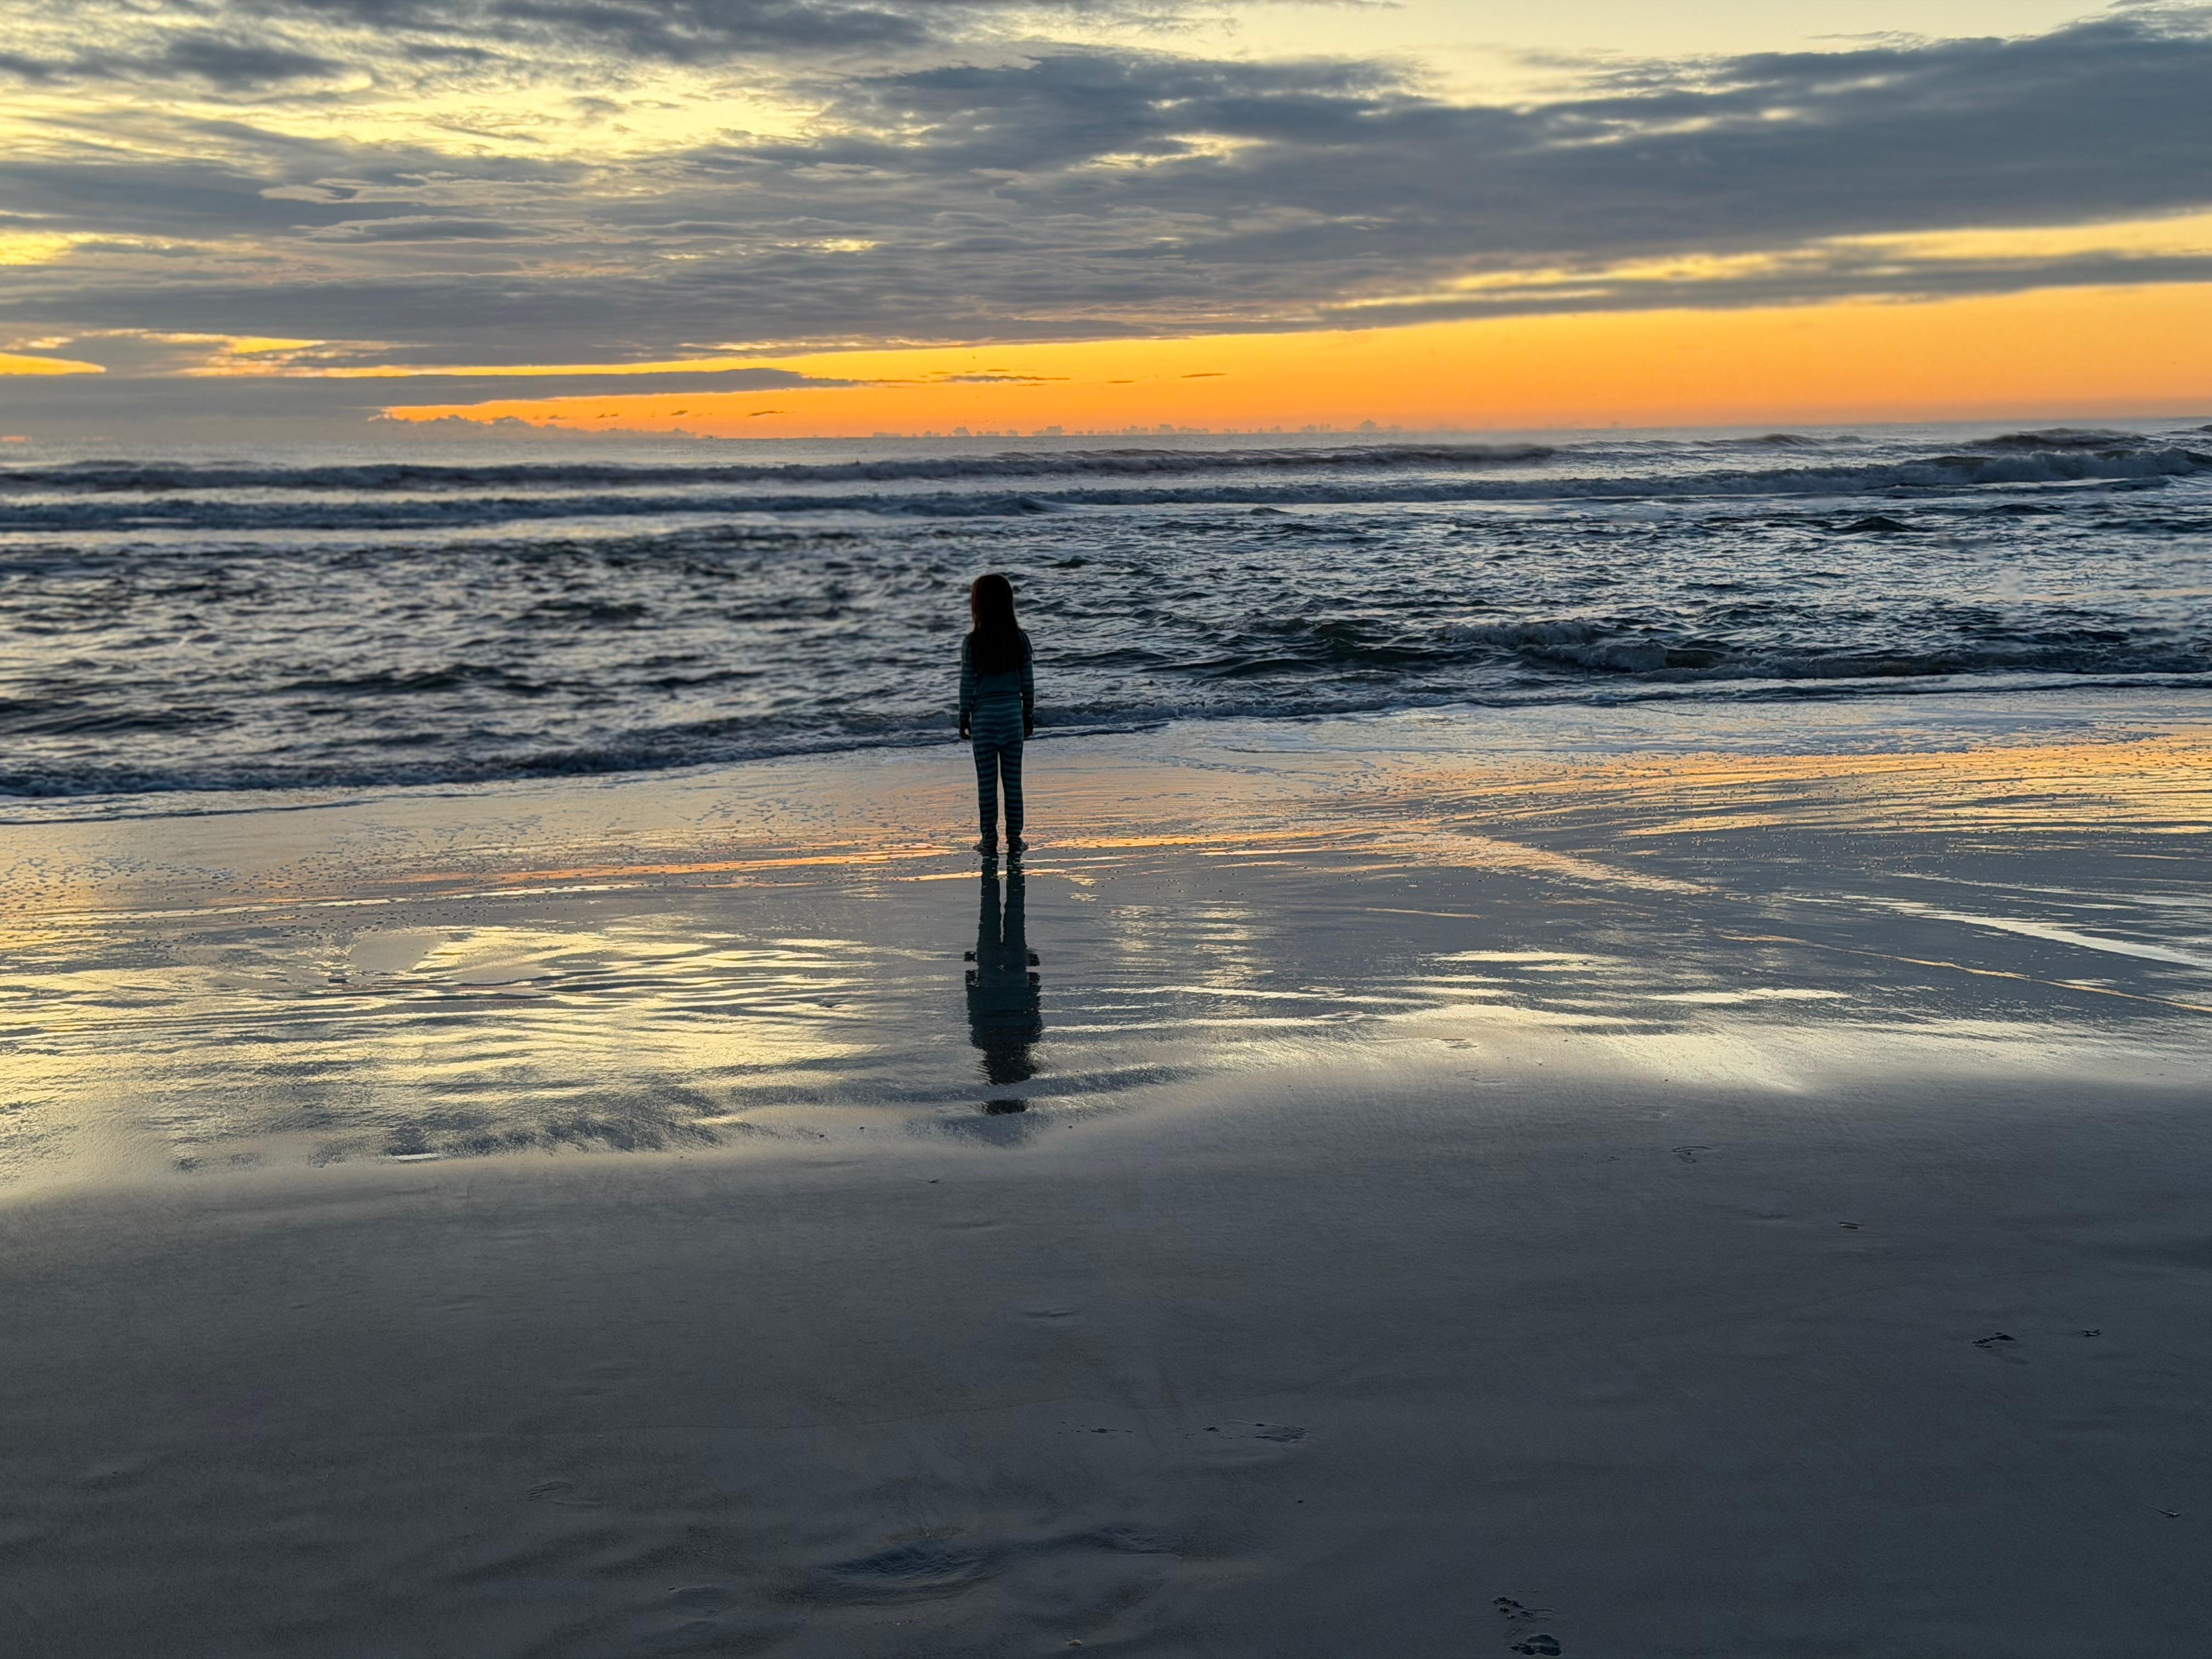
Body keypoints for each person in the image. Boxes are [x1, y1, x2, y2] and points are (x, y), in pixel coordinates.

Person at [957, 572, 1035, 855]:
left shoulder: (973, 642)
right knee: (1013, 783)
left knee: (987, 785)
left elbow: (967, 683)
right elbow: (1028, 682)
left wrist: (963, 716)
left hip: (985, 719)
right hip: (1012, 716)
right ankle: (1015, 839)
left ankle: (989, 840)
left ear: (978, 605)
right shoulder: (1019, 640)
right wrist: (1028, 713)